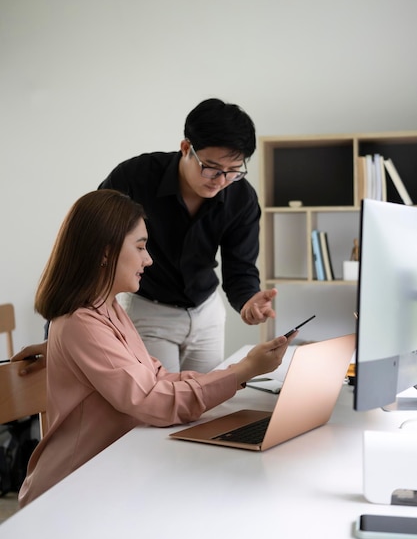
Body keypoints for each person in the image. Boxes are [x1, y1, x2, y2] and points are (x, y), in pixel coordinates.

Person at [17, 189, 295, 507]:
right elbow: (152, 399)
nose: (149, 259)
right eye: (140, 247)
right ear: (105, 253)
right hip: (71, 490)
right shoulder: (83, 322)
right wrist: (241, 371)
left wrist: (240, 372)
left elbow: (157, 378)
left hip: (109, 473)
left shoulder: (108, 310)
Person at [15, 98, 276, 373]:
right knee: (160, 406)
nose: (221, 181)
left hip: (207, 312)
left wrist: (248, 300)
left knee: (207, 406)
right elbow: (86, 247)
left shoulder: (241, 196)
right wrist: (55, 336)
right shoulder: (134, 178)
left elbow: (241, 268)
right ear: (186, 147)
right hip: (149, 309)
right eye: (211, 168)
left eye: (233, 171)